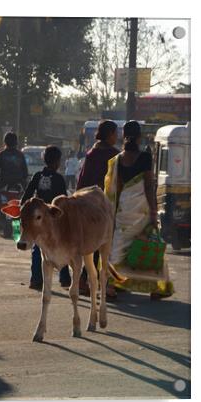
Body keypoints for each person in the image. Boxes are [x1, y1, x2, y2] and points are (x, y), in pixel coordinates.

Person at [104, 121, 172, 298]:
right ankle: (156, 288)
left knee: (119, 247)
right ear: (140, 136)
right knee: (149, 245)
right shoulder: (145, 157)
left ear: (123, 135)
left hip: (124, 208)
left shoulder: (118, 159)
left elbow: (117, 188)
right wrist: (153, 210)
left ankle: (111, 285)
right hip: (141, 208)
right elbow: (148, 186)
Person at [76, 120, 120, 299]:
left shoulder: (91, 153)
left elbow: (82, 178)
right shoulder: (114, 155)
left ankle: (83, 280)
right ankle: (106, 285)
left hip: (86, 203)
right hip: (104, 205)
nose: (117, 137)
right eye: (115, 133)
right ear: (109, 134)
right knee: (106, 245)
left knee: (90, 245)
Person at [21, 146, 71, 290]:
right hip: (54, 220)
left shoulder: (37, 176)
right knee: (61, 248)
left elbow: (26, 197)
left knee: (37, 249)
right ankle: (65, 278)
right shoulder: (59, 178)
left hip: (38, 221)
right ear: (57, 162)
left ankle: (36, 280)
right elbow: (63, 200)